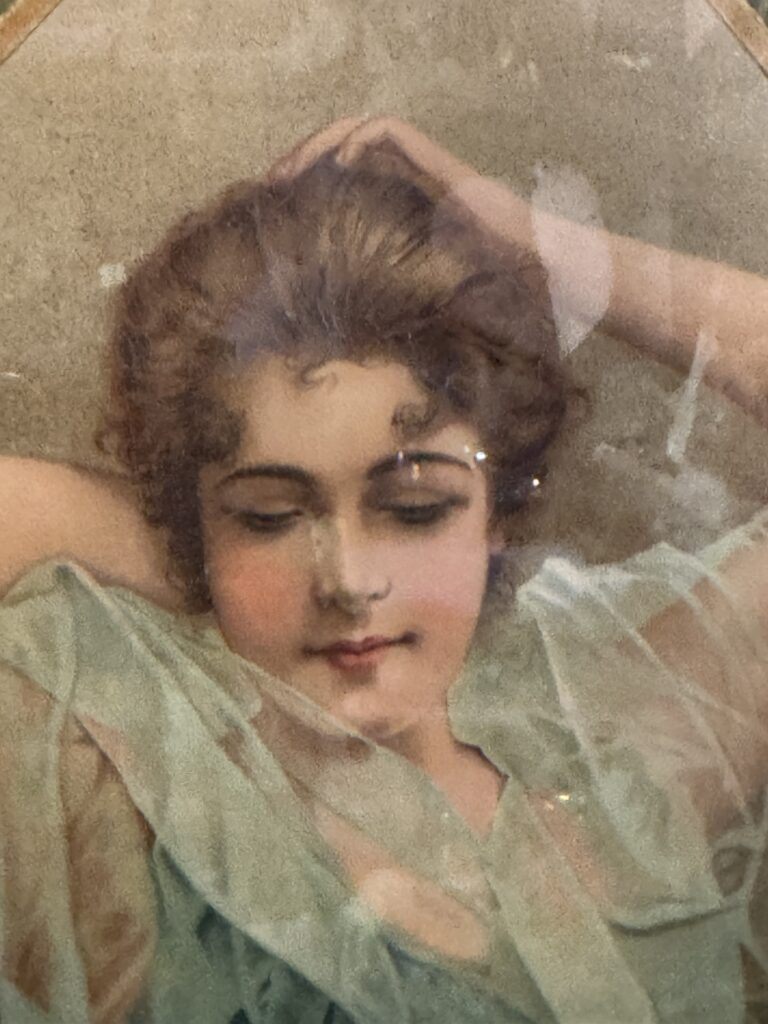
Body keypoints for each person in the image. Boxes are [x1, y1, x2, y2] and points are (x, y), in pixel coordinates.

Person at [2, 116, 768, 1023]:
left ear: (498, 510)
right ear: (195, 523)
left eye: (414, 509)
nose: (349, 580)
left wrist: (539, 248)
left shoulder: (618, 727)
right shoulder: (143, 755)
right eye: (269, 515)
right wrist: (207, 561)